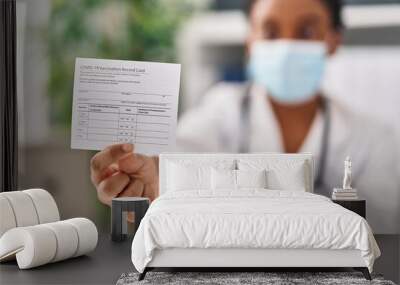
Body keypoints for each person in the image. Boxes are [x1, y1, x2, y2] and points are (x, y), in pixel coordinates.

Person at [90, 0, 399, 234]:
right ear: (251, 41)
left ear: (333, 40)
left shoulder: (375, 140)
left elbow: (383, 232)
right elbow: (174, 165)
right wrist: (149, 183)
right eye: (270, 31)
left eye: (306, 30)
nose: (286, 46)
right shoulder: (220, 112)